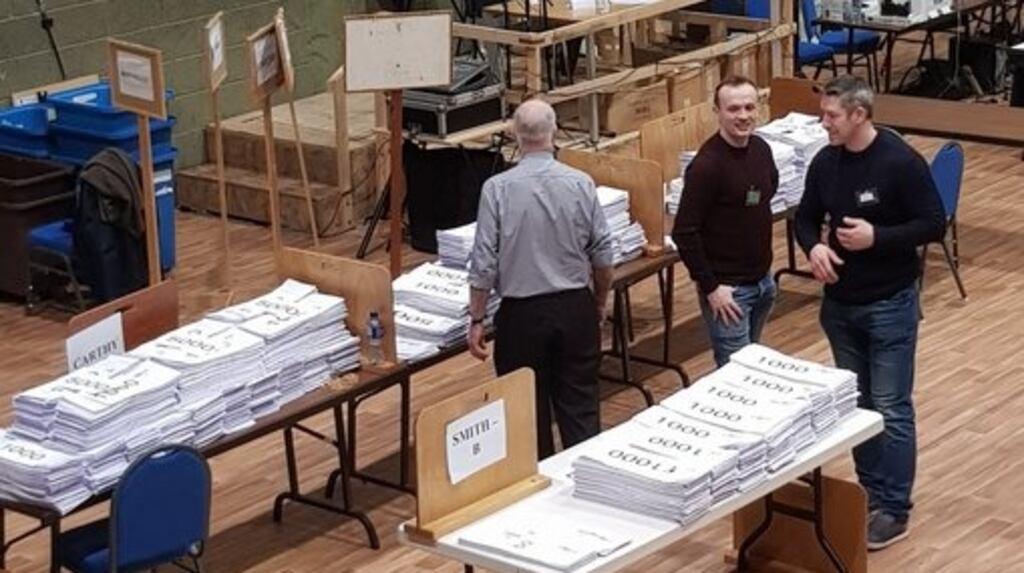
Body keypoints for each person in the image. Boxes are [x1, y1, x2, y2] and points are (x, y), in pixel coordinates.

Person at [795, 75, 945, 550]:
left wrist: (877, 237)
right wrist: (812, 248)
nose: (824, 124)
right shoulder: (825, 162)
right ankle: (871, 492)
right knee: (858, 409)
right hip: (840, 306)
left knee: (892, 407)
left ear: (859, 114)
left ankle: (894, 507)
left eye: (832, 116)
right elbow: (803, 217)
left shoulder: (900, 162)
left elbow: (933, 224)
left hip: (889, 305)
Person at [466, 99, 615, 459]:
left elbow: (484, 262)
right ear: (554, 132)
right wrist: (597, 301)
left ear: (515, 135)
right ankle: (586, 489)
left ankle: (538, 497)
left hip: (522, 316)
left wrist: (476, 319)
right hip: (574, 308)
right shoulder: (581, 183)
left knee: (525, 417)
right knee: (581, 408)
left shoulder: (497, 189)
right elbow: (603, 253)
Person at [671, 75, 779, 368]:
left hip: (763, 282)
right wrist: (711, 288)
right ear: (716, 112)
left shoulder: (761, 149)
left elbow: (769, 192)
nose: (743, 116)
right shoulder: (707, 166)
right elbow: (684, 232)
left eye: (749, 107)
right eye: (733, 109)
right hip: (729, 293)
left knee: (753, 366)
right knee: (738, 375)